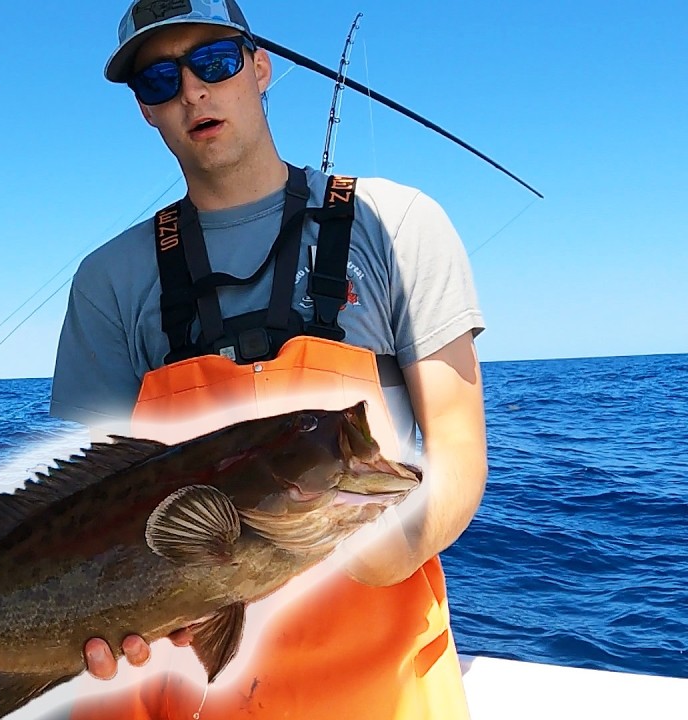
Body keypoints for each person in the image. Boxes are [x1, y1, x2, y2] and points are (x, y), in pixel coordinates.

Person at [48, 1, 488, 718]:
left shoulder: (401, 223)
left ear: (260, 68)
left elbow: (460, 456)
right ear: (146, 112)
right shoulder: (107, 280)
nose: (192, 90)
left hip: (380, 692)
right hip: (178, 688)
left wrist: (392, 549)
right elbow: (89, 503)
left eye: (215, 62)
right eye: (159, 80)